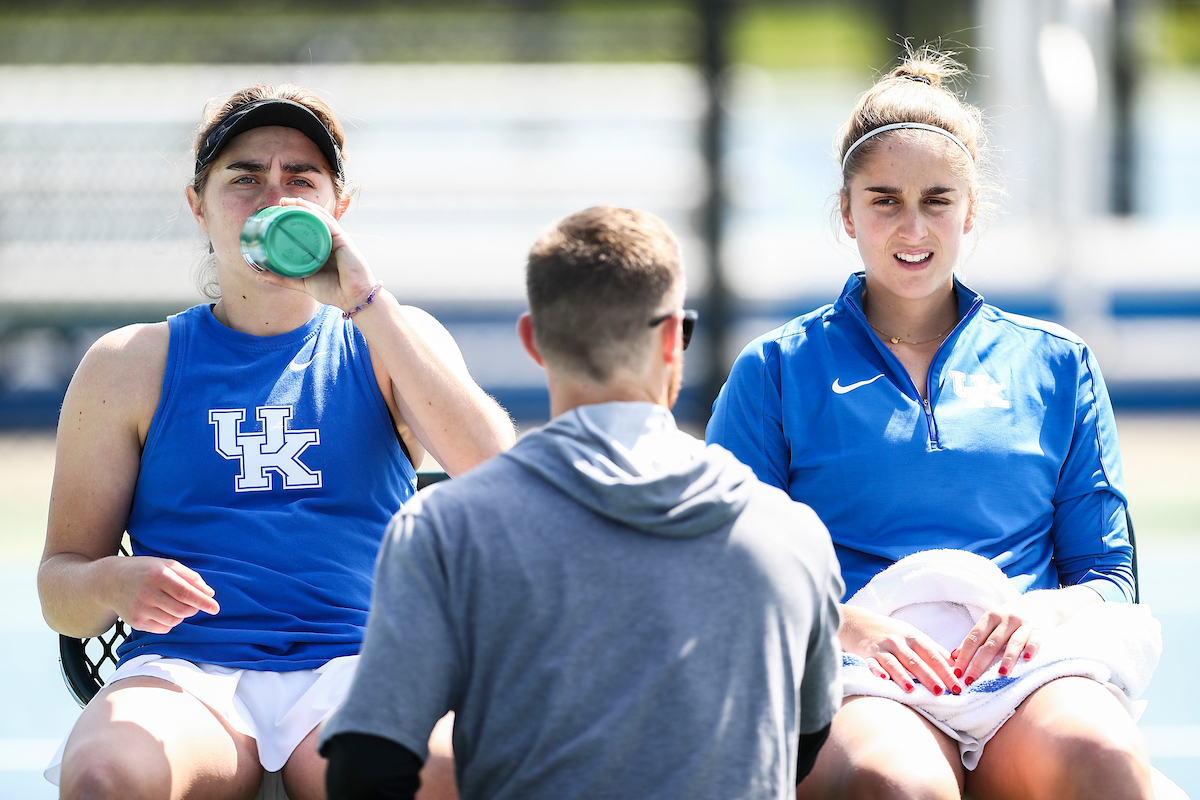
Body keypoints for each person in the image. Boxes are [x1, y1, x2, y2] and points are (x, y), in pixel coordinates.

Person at [39, 83, 516, 800]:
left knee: (435, 775)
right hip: (186, 674)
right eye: (244, 177)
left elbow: (496, 473)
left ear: (338, 209)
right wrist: (112, 583)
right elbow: (59, 586)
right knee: (106, 777)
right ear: (197, 205)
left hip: (359, 665)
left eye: (301, 179)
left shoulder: (390, 337)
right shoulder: (129, 363)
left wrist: (363, 299)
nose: (273, 196)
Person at [706, 49, 1160, 800]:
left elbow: (1108, 575)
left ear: (972, 208)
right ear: (846, 211)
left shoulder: (1057, 364)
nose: (911, 226)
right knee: (898, 785)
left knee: (1103, 760)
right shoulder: (776, 369)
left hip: (1023, 673)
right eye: (883, 199)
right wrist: (845, 625)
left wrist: (1043, 609)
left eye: (937, 199)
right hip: (858, 673)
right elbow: (727, 563)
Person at [318, 206, 845, 800]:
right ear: (674, 338)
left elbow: (366, 765)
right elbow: (802, 741)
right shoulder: (792, 533)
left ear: (533, 340)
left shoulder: (447, 527)